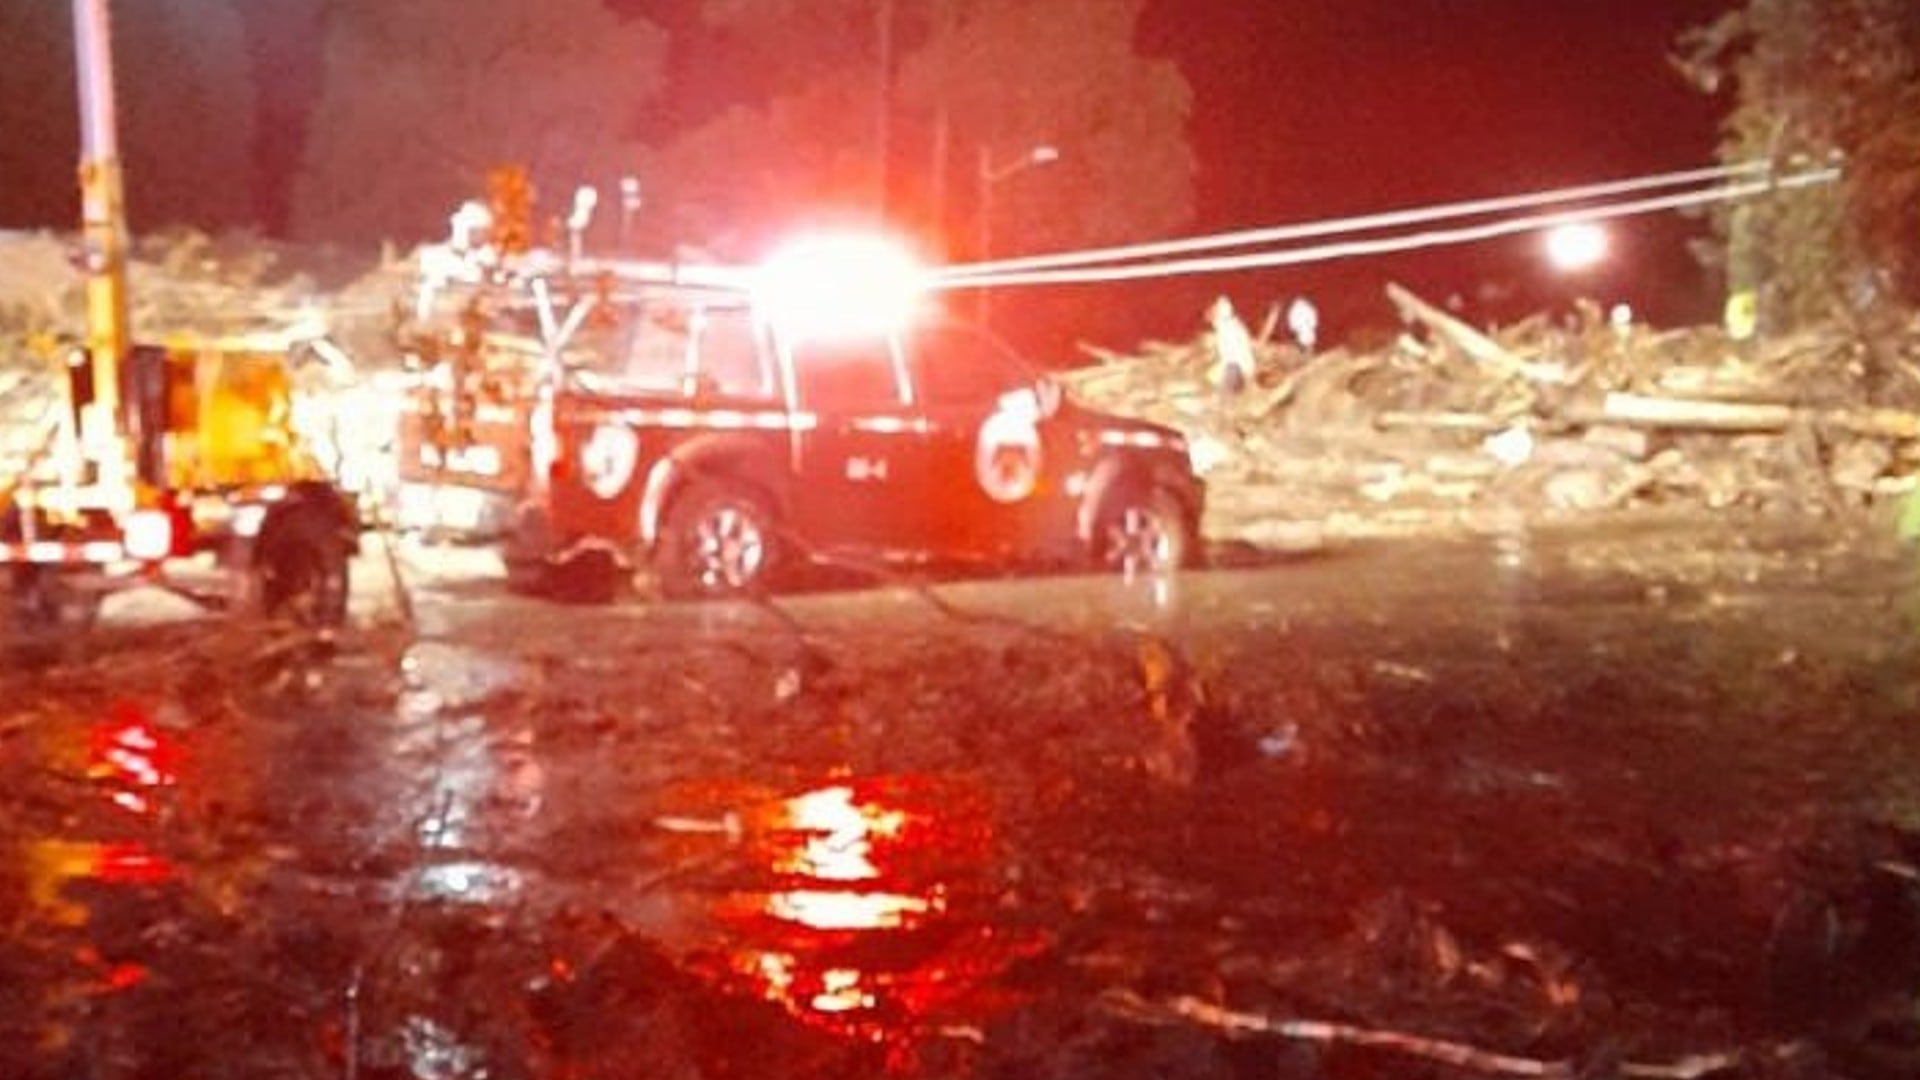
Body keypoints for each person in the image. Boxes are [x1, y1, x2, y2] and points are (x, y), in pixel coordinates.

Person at [1207, 296, 1254, 399]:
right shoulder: (1228, 326)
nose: (1210, 313)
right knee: (1210, 377)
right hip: (1235, 366)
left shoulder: (1228, 330)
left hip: (1236, 369)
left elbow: (1235, 361)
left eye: (1214, 310)